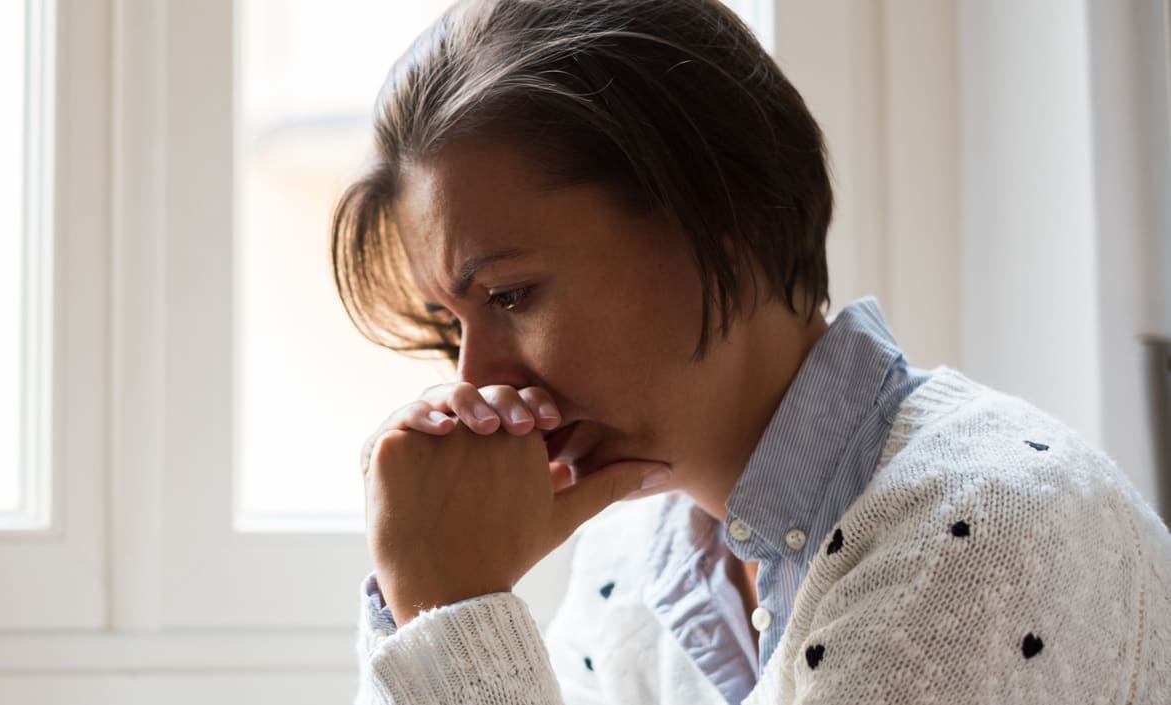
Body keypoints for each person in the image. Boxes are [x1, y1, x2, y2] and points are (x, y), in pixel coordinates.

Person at [331, 1, 1171, 703]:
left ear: (729, 230)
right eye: (452, 323)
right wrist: (427, 613)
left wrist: (457, 610)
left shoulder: (985, 530)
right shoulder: (631, 567)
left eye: (511, 295)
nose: (474, 378)